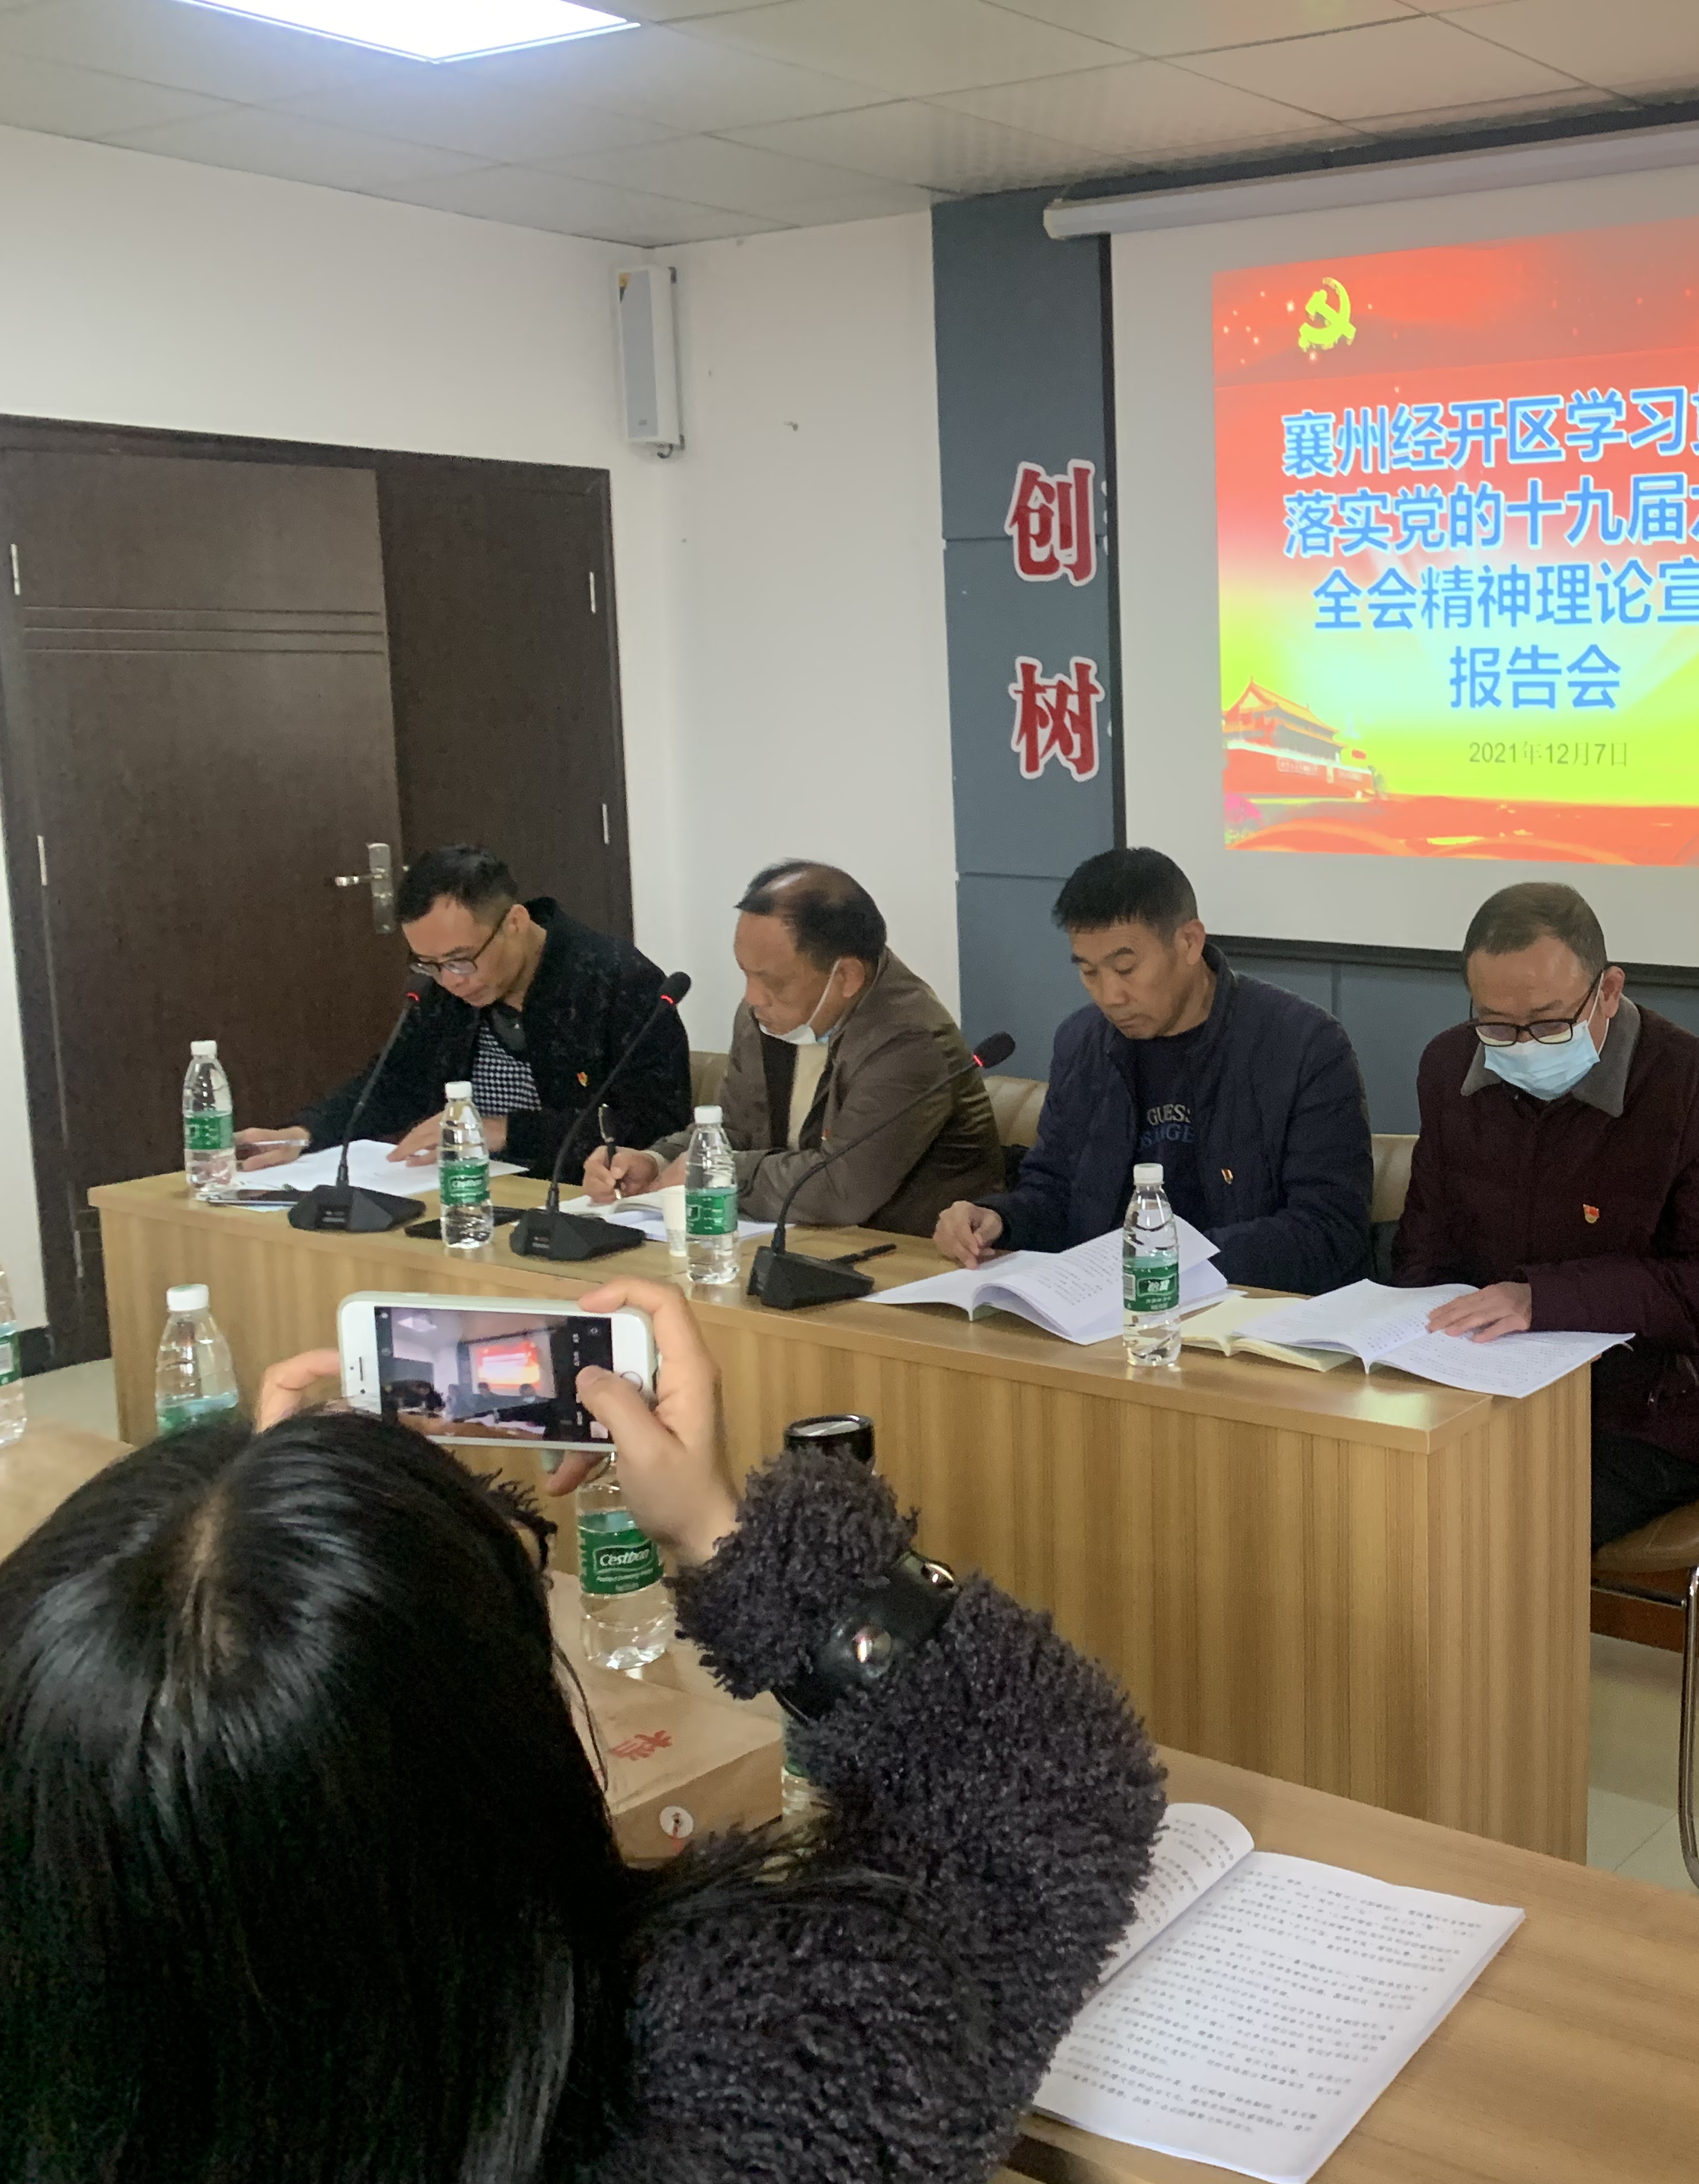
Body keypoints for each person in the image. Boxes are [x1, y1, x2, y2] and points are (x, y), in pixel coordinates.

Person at [0, 1274, 1163, 2183]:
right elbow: (1049, 1791)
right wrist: (724, 1536)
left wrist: (295, 1557)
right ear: (490, 1753)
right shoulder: (741, 2086)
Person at [1394, 883, 1699, 1551]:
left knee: (1477, 1532)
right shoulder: (1451, 1066)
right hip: (1482, 1392)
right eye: (1496, 1024)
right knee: (1357, 1488)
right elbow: (1427, 1243)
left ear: (1608, 991)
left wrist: (1543, 1299)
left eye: (1549, 1024)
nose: (1522, 1046)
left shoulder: (1698, 1090)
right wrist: (1408, 1338)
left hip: (1641, 1421)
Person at [933, 847, 1370, 1294]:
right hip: (1106, 1306)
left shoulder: (1302, 1045)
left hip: (1246, 1308)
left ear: (1189, 943)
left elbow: (1329, 1230)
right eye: (1089, 972)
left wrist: (1167, 1258)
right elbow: (1056, 1190)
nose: (1110, 996)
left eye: (1126, 968)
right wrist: (999, 1219)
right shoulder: (1082, 1042)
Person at [583, 862, 1003, 1236]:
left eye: (773, 981)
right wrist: (656, 1161)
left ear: (847, 977)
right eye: (745, 973)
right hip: (795, 1245)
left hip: (912, 1262)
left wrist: (716, 1172)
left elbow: (841, 1189)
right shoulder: (766, 1017)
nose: (752, 997)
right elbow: (737, 1132)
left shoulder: (908, 1041)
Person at [236, 845, 693, 1182]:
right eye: (429, 965)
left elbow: (655, 1124)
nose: (450, 980)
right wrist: (305, 1133)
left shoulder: (617, 981)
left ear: (515, 922)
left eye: (460, 960)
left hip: (575, 1199)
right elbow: (395, 1082)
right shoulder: (444, 991)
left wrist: (506, 1132)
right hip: (465, 1193)